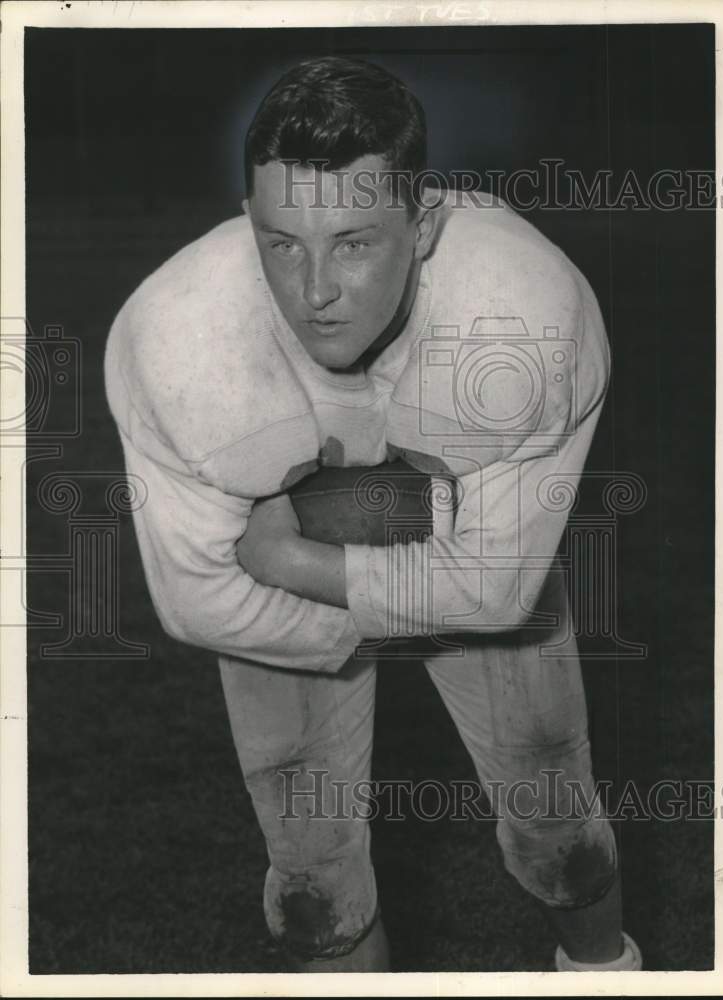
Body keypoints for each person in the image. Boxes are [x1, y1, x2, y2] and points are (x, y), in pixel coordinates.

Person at [104, 55, 642, 973]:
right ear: (248, 224)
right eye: (282, 242)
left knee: (561, 833)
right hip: (393, 553)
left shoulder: (521, 319)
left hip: (358, 548)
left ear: (424, 222)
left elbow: (499, 595)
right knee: (314, 888)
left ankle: (606, 975)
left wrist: (298, 562)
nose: (313, 290)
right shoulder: (177, 338)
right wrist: (397, 601)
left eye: (353, 242)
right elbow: (194, 605)